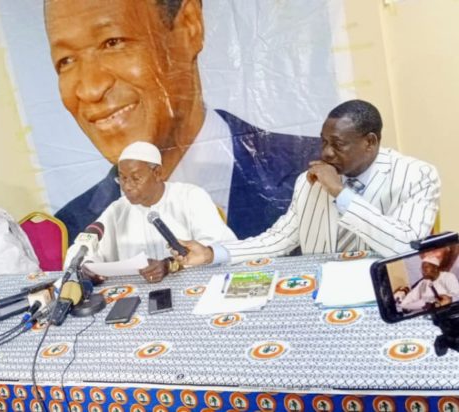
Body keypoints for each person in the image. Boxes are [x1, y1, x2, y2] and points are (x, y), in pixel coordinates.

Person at [44, 0, 321, 241]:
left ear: (189, 26)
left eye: (113, 42)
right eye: (66, 60)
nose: (90, 89)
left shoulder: (320, 170)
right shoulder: (72, 231)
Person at [172, 100, 441, 265]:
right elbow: (277, 240)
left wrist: (340, 193)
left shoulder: (417, 176)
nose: (326, 153)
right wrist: (211, 253)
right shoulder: (310, 181)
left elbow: (406, 247)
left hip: (386, 294)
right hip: (322, 292)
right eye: (324, 142)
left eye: (338, 144)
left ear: (369, 142)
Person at [65, 142, 236, 284]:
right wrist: (87, 266)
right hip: (137, 295)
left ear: (157, 173)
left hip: (193, 286)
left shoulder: (190, 196)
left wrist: (171, 265)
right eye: (122, 178)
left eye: (135, 178)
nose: (127, 186)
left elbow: (217, 247)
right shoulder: (117, 210)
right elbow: (84, 249)